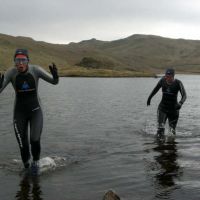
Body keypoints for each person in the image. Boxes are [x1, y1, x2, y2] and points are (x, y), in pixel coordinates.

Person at [0, 49, 59, 174]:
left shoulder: (35, 70)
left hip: (35, 111)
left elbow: (54, 82)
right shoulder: (11, 73)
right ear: (14, 62)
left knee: (34, 140)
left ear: (28, 61)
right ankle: (26, 167)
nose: (20, 63)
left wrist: (55, 76)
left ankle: (36, 163)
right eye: (17, 60)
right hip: (19, 113)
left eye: (23, 60)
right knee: (23, 144)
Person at [147, 68, 186, 136]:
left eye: (169, 76)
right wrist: (149, 98)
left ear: (173, 76)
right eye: (166, 76)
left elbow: (184, 95)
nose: (167, 77)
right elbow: (155, 90)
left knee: (172, 131)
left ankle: (171, 145)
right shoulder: (162, 80)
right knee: (160, 129)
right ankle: (160, 144)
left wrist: (180, 103)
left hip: (174, 110)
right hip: (162, 108)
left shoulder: (178, 83)